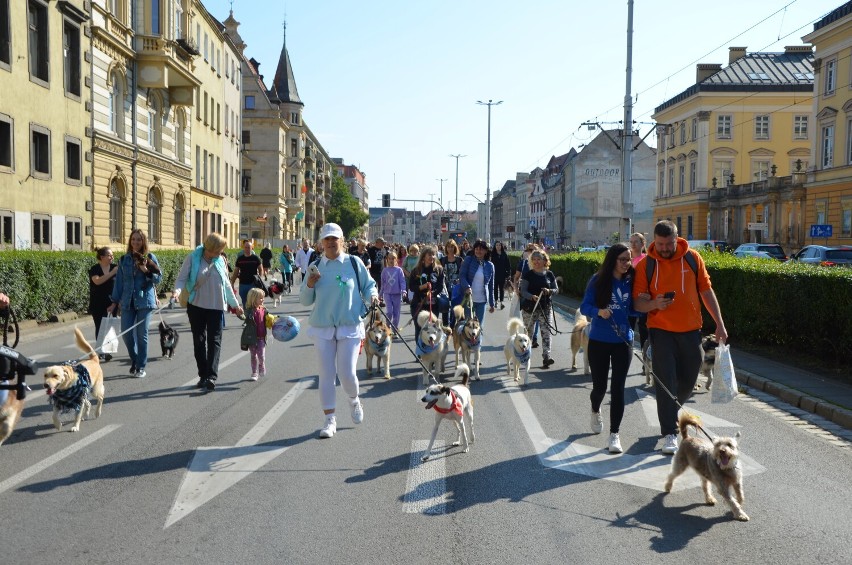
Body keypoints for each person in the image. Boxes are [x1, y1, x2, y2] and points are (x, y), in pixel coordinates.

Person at [632, 220, 729, 455]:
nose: (665, 248)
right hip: (660, 330)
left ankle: (670, 411)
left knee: (690, 376)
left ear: (677, 238)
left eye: (669, 243)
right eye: (660, 243)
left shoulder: (692, 258)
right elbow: (637, 302)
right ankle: (669, 434)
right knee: (666, 381)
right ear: (654, 240)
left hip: (690, 330)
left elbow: (706, 290)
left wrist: (719, 323)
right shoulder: (646, 264)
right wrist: (655, 303)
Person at [301, 223, 378, 439]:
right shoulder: (316, 266)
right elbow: (305, 300)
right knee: (326, 374)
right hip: (322, 327)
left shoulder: (354, 263)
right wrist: (309, 284)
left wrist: (373, 295)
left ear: (342, 241)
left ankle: (354, 400)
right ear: (321, 243)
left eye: (335, 239)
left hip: (350, 325)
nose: (331, 242)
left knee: (347, 373)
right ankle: (329, 420)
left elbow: (369, 285)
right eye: (327, 239)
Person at [580, 244, 638, 454]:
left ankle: (614, 434)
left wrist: (651, 304)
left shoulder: (632, 281)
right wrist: (598, 311)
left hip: (623, 340)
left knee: (618, 388)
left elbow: (634, 308)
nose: (626, 264)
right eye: (622, 259)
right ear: (612, 259)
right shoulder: (598, 280)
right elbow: (584, 307)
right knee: (600, 387)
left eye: (629, 259)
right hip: (599, 340)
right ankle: (595, 409)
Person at [173, 232, 244, 391]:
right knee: (199, 342)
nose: (221, 253)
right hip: (196, 305)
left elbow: (226, 285)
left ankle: (211, 376)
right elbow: (182, 278)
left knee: (215, 341)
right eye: (219, 250)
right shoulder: (193, 258)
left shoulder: (221, 260)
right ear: (210, 248)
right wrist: (176, 292)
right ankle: (203, 374)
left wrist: (235, 305)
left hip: (217, 306)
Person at [107, 229, 162, 378]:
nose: (135, 242)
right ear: (130, 242)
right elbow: (119, 282)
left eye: (138, 239)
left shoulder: (150, 257)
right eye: (133, 240)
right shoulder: (124, 259)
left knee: (142, 334)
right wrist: (114, 301)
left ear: (143, 241)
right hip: (127, 300)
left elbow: (158, 278)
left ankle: (141, 366)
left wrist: (146, 271)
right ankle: (135, 359)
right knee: (126, 334)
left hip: (145, 301)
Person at [519, 249, 559, 369]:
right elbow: (523, 291)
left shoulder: (549, 274)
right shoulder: (528, 274)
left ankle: (546, 356)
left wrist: (549, 291)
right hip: (529, 308)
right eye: (534, 259)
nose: (536, 262)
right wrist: (531, 297)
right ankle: (526, 356)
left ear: (544, 261)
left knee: (546, 333)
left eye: (539, 259)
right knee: (529, 334)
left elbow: (556, 289)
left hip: (545, 307)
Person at [408, 246, 445, 338]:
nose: (432, 257)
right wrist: (422, 287)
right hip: (418, 304)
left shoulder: (439, 270)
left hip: (433, 305)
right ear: (423, 256)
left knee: (432, 330)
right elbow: (411, 287)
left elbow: (440, 286)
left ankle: (430, 351)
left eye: (433, 254)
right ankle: (420, 351)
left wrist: (433, 293)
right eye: (429, 255)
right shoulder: (416, 271)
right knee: (419, 329)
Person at [89, 247, 118, 361]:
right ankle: (102, 351)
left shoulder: (115, 267)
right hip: (98, 302)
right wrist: (112, 273)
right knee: (100, 326)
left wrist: (118, 302)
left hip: (113, 302)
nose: (112, 257)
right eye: (109, 255)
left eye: (112, 255)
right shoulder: (95, 269)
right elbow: (97, 281)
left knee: (111, 326)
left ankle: (108, 350)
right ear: (102, 257)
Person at [458, 239, 495, 324]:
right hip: (468, 299)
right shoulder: (468, 260)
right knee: (467, 327)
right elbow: (462, 275)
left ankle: (478, 338)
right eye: (477, 249)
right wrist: (467, 287)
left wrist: (492, 303)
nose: (478, 251)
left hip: (482, 300)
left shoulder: (490, 266)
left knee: (478, 328)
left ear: (486, 251)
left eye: (481, 249)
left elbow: (491, 286)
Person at [514, 243, 541, 347]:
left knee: (538, 316)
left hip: (538, 294)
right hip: (525, 293)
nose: (531, 253)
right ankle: (528, 336)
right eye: (530, 251)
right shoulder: (523, 263)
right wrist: (516, 289)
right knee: (528, 316)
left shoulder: (541, 264)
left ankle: (533, 338)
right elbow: (516, 277)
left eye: (534, 251)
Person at [628, 233, 649, 352]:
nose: (633, 244)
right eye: (631, 242)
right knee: (628, 328)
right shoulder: (626, 260)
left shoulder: (647, 259)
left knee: (644, 330)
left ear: (642, 244)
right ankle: (625, 355)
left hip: (643, 299)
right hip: (629, 299)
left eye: (636, 241)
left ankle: (645, 360)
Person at [241, 288, 268, 381]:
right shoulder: (249, 311)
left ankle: (262, 365)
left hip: (261, 337)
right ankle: (254, 372)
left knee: (261, 355)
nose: (262, 300)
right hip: (251, 338)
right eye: (260, 298)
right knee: (253, 355)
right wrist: (240, 314)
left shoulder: (264, 310)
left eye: (263, 298)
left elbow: (269, 320)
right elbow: (244, 318)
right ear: (253, 299)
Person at [232, 239, 264, 308]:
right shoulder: (240, 259)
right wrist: (232, 282)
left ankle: (253, 317)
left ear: (251, 248)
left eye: (248, 247)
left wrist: (259, 279)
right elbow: (236, 271)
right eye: (245, 247)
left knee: (253, 302)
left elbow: (261, 269)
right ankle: (247, 317)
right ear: (243, 248)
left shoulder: (255, 258)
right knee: (244, 302)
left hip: (253, 284)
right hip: (242, 284)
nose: (247, 249)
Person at [440, 239, 464, 327]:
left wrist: (460, 280)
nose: (450, 249)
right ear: (446, 248)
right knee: (445, 307)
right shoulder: (442, 260)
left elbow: (463, 273)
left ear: (455, 248)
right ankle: (446, 326)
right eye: (448, 247)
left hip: (456, 287)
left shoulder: (459, 260)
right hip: (445, 287)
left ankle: (453, 325)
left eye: (452, 247)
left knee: (455, 306)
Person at [380, 250, 405, 328]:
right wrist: (380, 294)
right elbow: (383, 284)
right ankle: (388, 326)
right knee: (389, 312)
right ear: (387, 259)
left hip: (397, 294)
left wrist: (403, 290)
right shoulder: (384, 270)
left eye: (393, 258)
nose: (391, 260)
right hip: (387, 294)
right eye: (390, 258)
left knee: (396, 313)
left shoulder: (399, 270)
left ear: (396, 260)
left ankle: (395, 328)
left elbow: (402, 281)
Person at [492, 241, 511, 309]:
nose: (498, 246)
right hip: (494, 274)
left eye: (499, 245)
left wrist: (508, 273)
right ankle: (496, 301)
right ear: (495, 246)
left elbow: (508, 265)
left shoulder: (504, 254)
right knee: (495, 288)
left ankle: (501, 302)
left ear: (501, 246)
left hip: (502, 274)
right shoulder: (493, 254)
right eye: (497, 245)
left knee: (501, 289)